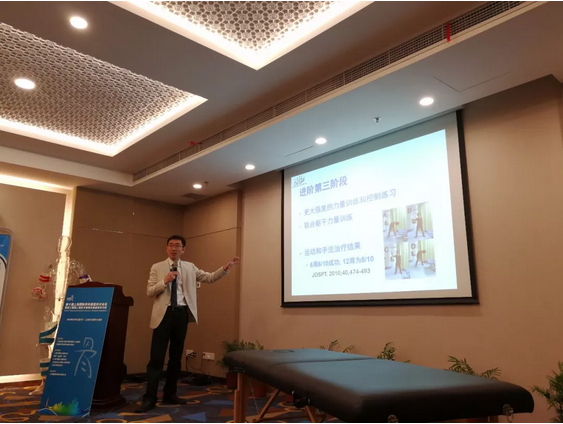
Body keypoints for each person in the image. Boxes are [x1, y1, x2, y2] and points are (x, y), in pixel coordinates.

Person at [136, 235, 240, 413]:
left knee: (176, 357)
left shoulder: (190, 267)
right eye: (170, 245)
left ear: (183, 249)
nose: (173, 248)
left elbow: (209, 277)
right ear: (167, 248)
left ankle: (170, 394)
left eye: (177, 246)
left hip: (181, 314)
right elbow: (150, 291)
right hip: (163, 315)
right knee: (156, 358)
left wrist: (225, 268)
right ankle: (150, 398)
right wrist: (165, 281)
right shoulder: (157, 267)